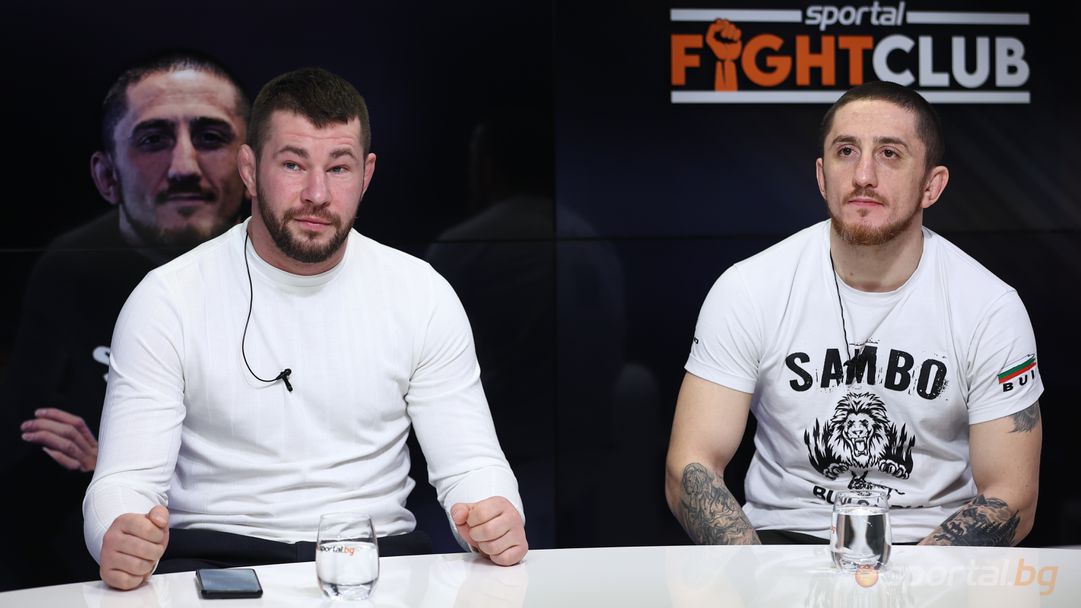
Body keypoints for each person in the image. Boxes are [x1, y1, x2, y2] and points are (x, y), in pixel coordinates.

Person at [83, 67, 528, 591]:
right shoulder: (167, 299)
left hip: (377, 561)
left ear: (366, 175)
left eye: (338, 168)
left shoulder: (421, 293)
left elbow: (472, 466)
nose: (317, 193)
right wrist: (118, 533)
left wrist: (496, 512)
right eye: (293, 164)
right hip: (218, 563)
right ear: (249, 170)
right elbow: (125, 482)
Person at [665, 81, 1042, 547]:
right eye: (846, 151)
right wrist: (754, 574)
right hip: (783, 541)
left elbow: (1012, 494)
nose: (864, 175)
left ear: (932, 185)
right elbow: (691, 465)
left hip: (930, 547)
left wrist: (922, 580)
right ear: (822, 176)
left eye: (890, 154)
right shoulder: (749, 288)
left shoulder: (989, 307)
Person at [0, 50, 249, 590]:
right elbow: (23, 448)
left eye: (210, 137)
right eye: (153, 139)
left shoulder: (295, 265)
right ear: (106, 175)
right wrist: (115, 486)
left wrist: (113, 462)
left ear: (250, 166)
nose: (185, 167)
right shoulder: (67, 271)